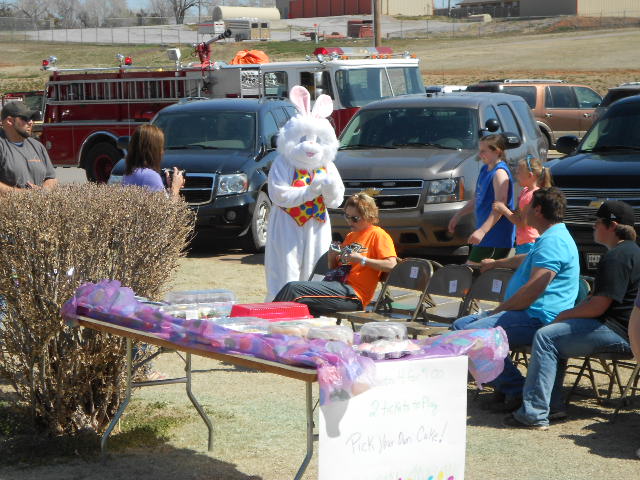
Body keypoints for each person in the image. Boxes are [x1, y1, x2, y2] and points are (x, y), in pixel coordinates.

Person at [503, 200, 640, 430]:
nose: (594, 226)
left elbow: (598, 306)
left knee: (547, 336)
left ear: (613, 226)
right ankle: (552, 406)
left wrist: (565, 315)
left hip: (618, 333)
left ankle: (533, 413)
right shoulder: (633, 252)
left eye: (598, 222)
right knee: (556, 336)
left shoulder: (617, 256)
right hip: (628, 333)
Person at [452, 187, 580, 412]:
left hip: (538, 317)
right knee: (460, 326)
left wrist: (498, 311)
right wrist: (496, 263)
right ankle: (503, 386)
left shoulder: (554, 241)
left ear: (537, 210)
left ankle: (516, 389)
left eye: (525, 207)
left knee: (473, 334)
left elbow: (534, 289)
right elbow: (526, 258)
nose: (521, 212)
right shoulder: (549, 237)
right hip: (526, 313)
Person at [273, 192, 397, 316]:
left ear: (368, 215)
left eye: (355, 218)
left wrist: (362, 259)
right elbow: (334, 268)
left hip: (354, 295)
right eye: (347, 217)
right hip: (337, 287)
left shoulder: (378, 235)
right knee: (296, 298)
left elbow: (392, 265)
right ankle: (272, 322)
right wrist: (332, 257)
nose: (350, 221)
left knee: (293, 289)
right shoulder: (351, 236)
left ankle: (266, 321)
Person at [448, 134, 515, 264]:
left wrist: (482, 231)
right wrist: (458, 215)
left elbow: (499, 208)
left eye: (484, 151)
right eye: (480, 150)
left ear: (497, 151)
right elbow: (478, 198)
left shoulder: (499, 173)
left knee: (471, 270)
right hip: (486, 235)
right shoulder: (485, 169)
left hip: (496, 237)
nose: (480, 154)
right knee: (476, 272)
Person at [493, 155, 553, 255]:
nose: (516, 176)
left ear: (530, 175)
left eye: (518, 173)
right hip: (524, 241)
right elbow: (518, 213)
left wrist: (503, 210)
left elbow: (521, 223)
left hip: (529, 243)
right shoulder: (525, 191)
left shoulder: (531, 196)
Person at [0, 101, 57, 192]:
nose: (31, 122)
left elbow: (51, 178)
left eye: (32, 118)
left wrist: (44, 191)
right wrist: (25, 194)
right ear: (10, 121)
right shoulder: (2, 145)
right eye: (25, 118)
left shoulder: (37, 146)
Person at [122, 124, 184, 197]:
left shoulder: (129, 173)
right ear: (153, 150)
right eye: (161, 147)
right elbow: (166, 205)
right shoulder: (150, 176)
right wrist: (175, 187)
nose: (162, 152)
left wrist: (168, 189)